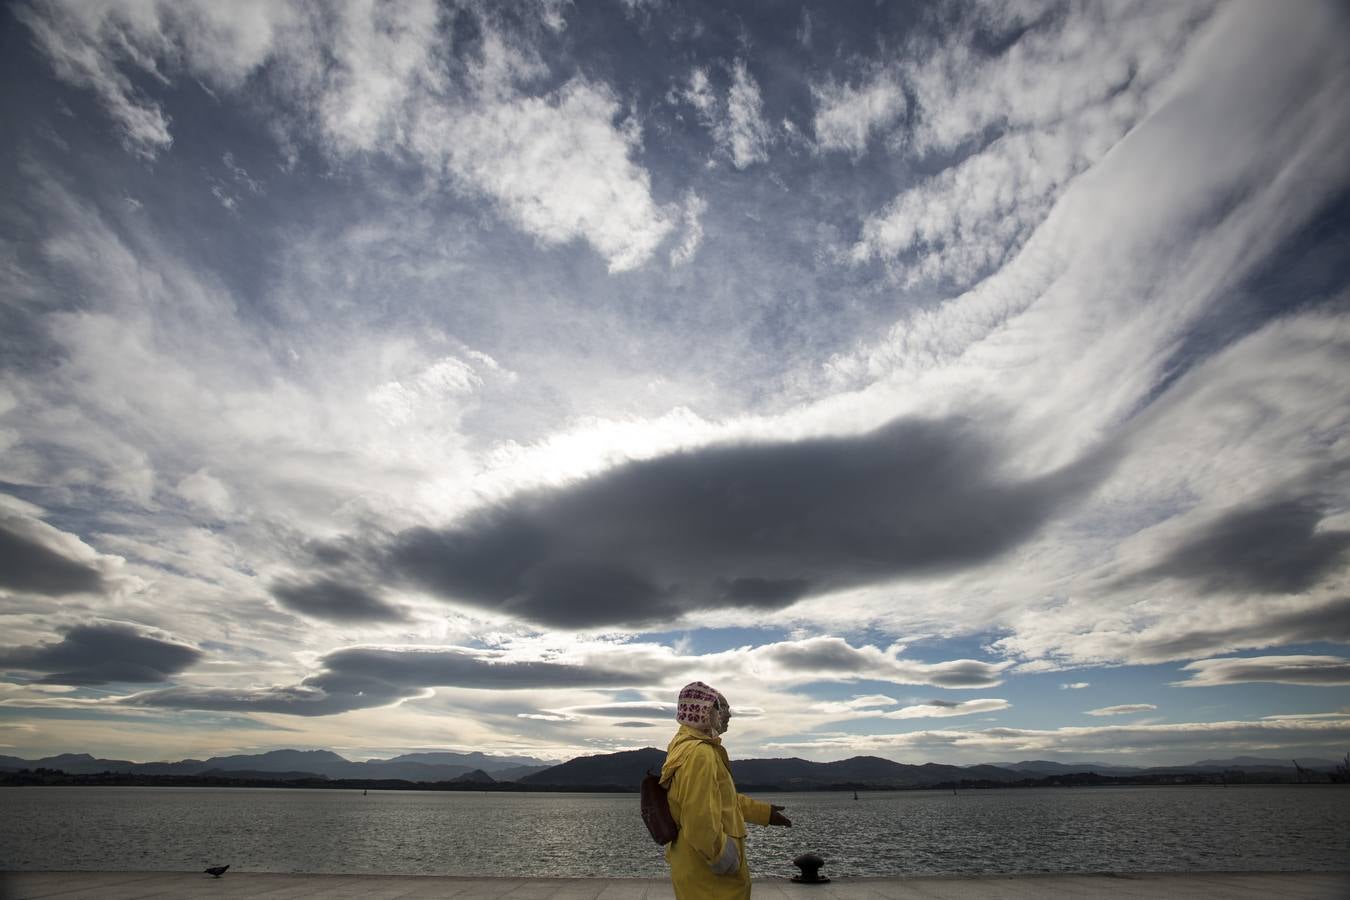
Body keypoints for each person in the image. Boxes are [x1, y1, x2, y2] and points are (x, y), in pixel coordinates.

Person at [660, 681, 791, 899]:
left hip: (695, 865)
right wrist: (721, 856)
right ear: (702, 711)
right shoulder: (699, 754)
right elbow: (698, 817)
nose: (728, 715)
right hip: (710, 874)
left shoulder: (684, 747)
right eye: (721, 707)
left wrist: (764, 813)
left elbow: (720, 799)